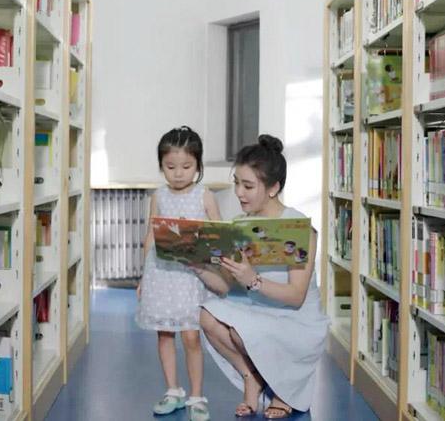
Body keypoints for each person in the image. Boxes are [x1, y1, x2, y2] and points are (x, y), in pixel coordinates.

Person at [191, 134, 329, 419]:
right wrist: (198, 267)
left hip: (296, 319)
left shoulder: (299, 229)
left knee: (241, 331)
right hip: (258, 311)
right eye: (236, 183)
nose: (239, 193)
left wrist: (253, 279)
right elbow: (226, 287)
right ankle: (251, 375)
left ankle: (283, 390)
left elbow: (296, 297)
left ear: (273, 188)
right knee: (207, 315)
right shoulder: (239, 225)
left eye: (248, 186)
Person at [135, 126, 221, 421]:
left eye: (186, 166)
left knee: (191, 336)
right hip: (161, 273)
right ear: (161, 165)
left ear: (198, 165)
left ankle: (197, 395)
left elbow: (219, 234)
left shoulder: (204, 195)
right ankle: (173, 390)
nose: (178, 173)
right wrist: (143, 277)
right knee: (164, 333)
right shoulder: (158, 195)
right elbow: (150, 235)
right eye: (170, 167)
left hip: (190, 277)